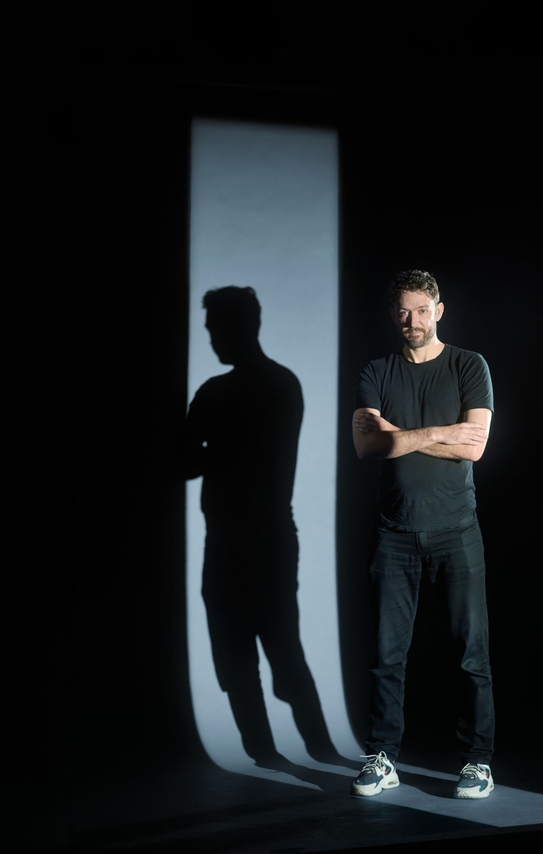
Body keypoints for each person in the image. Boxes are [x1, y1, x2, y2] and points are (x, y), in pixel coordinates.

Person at [351, 270, 495, 799]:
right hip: (394, 533)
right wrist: (438, 432)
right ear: (394, 316)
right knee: (388, 654)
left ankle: (477, 761)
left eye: (421, 309)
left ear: (439, 310)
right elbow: (368, 446)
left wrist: (400, 436)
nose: (412, 320)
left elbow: (474, 447)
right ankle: (382, 757)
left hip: (457, 530)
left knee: (470, 653)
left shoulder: (468, 365)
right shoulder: (377, 371)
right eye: (403, 311)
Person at [179, 285, 337, 767]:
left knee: (237, 654)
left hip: (231, 541)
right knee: (281, 647)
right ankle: (320, 749)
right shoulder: (284, 384)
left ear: (235, 327)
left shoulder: (216, 393)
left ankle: (270, 754)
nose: (210, 339)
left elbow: (183, 461)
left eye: (213, 329)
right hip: (270, 536)